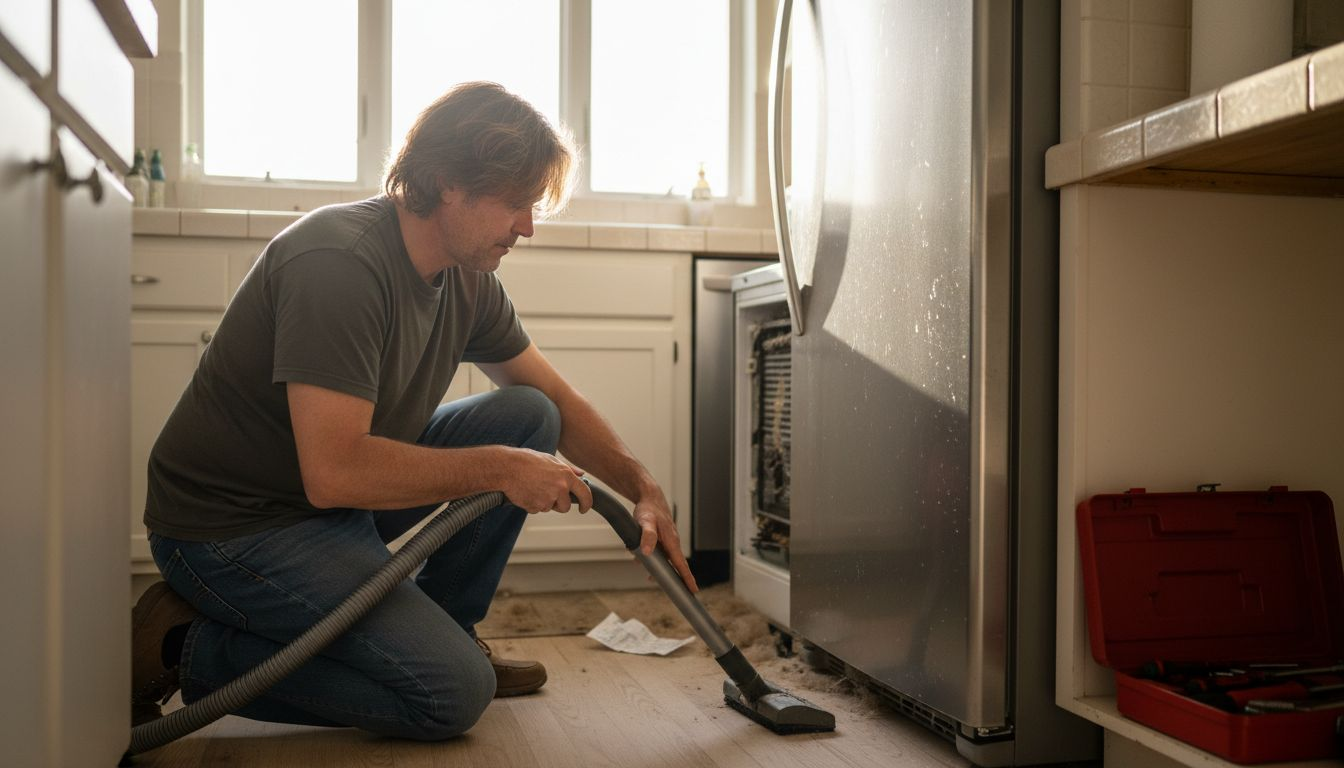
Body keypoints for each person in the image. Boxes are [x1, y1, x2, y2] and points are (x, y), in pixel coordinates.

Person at [130, 81, 697, 740]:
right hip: (233, 528)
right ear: (448, 183)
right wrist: (500, 469)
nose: (527, 227)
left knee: (530, 412)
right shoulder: (338, 264)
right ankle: (185, 642)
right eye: (515, 204)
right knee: (451, 695)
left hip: (328, 503)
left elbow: (560, 403)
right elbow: (335, 471)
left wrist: (644, 489)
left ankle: (442, 630)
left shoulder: (469, 278)